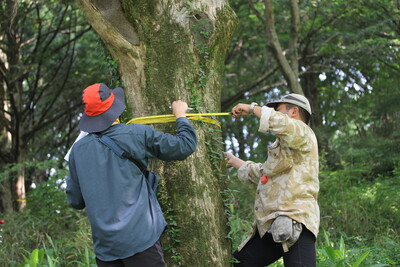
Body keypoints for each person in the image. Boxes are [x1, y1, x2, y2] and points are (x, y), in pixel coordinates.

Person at [66, 83, 197, 267]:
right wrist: (181, 115)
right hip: (140, 239)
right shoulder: (136, 133)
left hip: (106, 248)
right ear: (115, 109)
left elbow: (75, 201)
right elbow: (185, 145)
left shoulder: (77, 151)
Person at [225, 94, 319, 267]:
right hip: (272, 224)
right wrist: (235, 162)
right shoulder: (284, 147)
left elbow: (282, 124)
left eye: (278, 110)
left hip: (296, 221)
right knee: (238, 264)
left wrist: (252, 108)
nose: (274, 113)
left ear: (294, 111)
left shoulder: (303, 132)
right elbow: (264, 174)